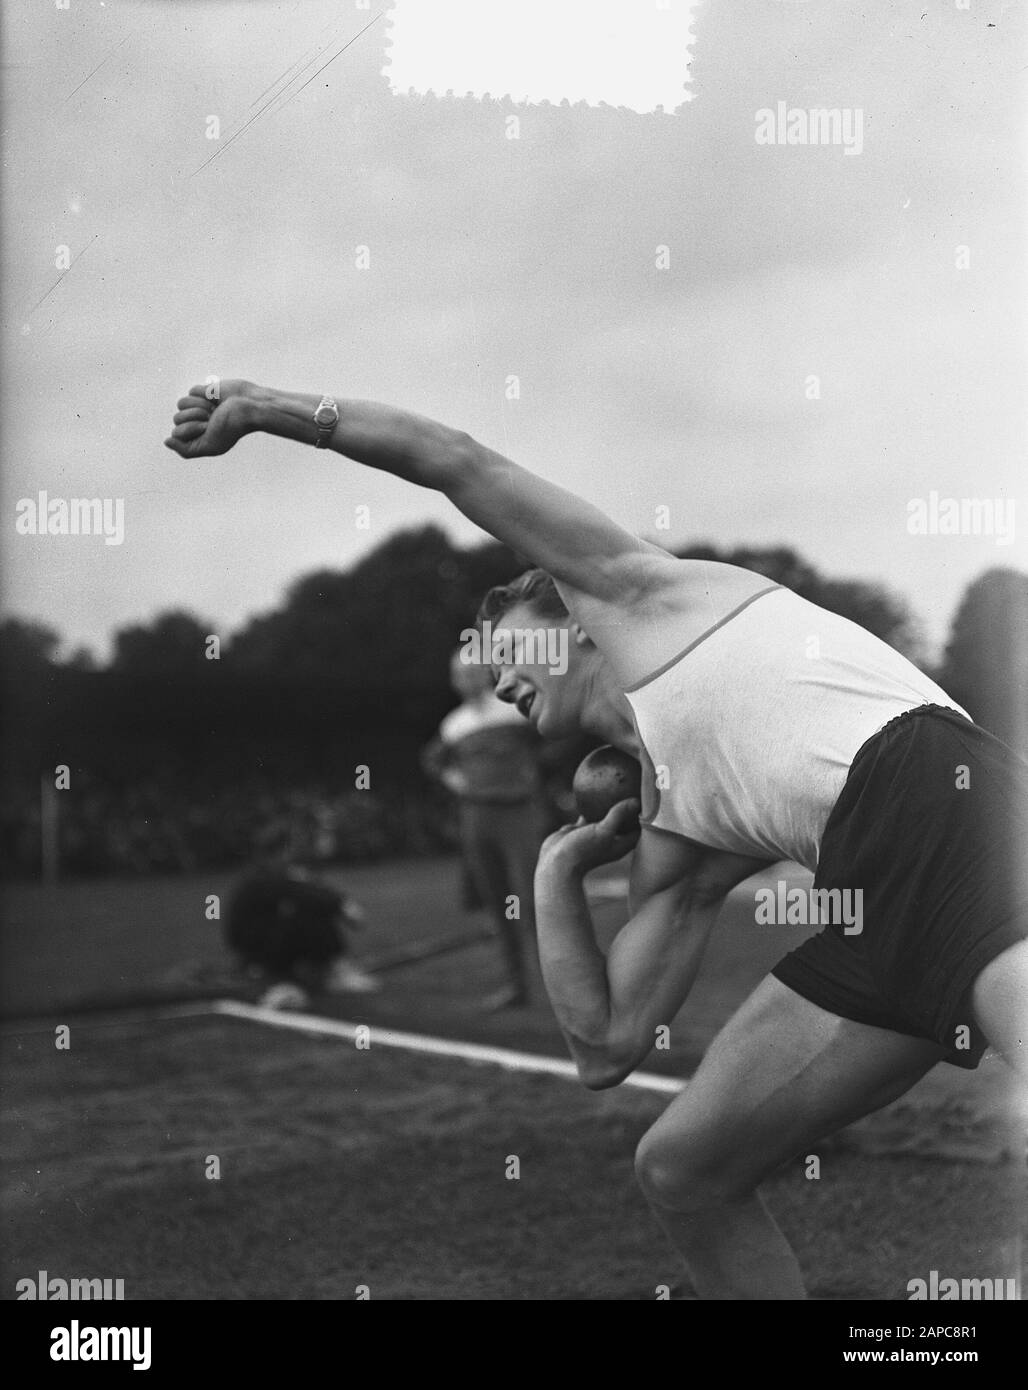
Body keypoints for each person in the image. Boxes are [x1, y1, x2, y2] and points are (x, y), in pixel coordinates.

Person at [166, 380, 1028, 1299]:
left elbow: (451, 457)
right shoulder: (680, 831)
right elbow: (604, 1047)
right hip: (877, 910)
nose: (499, 681)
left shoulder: (643, 593)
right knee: (684, 1170)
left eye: (511, 651)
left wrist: (264, 409)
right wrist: (556, 871)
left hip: (950, 812)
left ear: (575, 622)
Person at [422, 649, 550, 1008]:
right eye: (459, 674)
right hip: (477, 817)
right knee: (497, 901)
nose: (466, 679)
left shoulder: (513, 710)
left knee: (534, 897)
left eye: (472, 672)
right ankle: (516, 986)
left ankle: (561, 986)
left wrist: (534, 772)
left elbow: (552, 737)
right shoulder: (454, 724)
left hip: (519, 812)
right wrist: (456, 781)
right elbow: (432, 761)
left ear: (486, 674)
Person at [226, 824, 378, 1006]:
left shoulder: (264, 873)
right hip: (257, 954)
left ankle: (322, 969)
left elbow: (304, 888)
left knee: (304, 907)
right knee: (309, 913)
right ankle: (332, 974)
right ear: (281, 850)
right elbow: (304, 892)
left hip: (255, 951)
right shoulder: (264, 877)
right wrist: (342, 905)